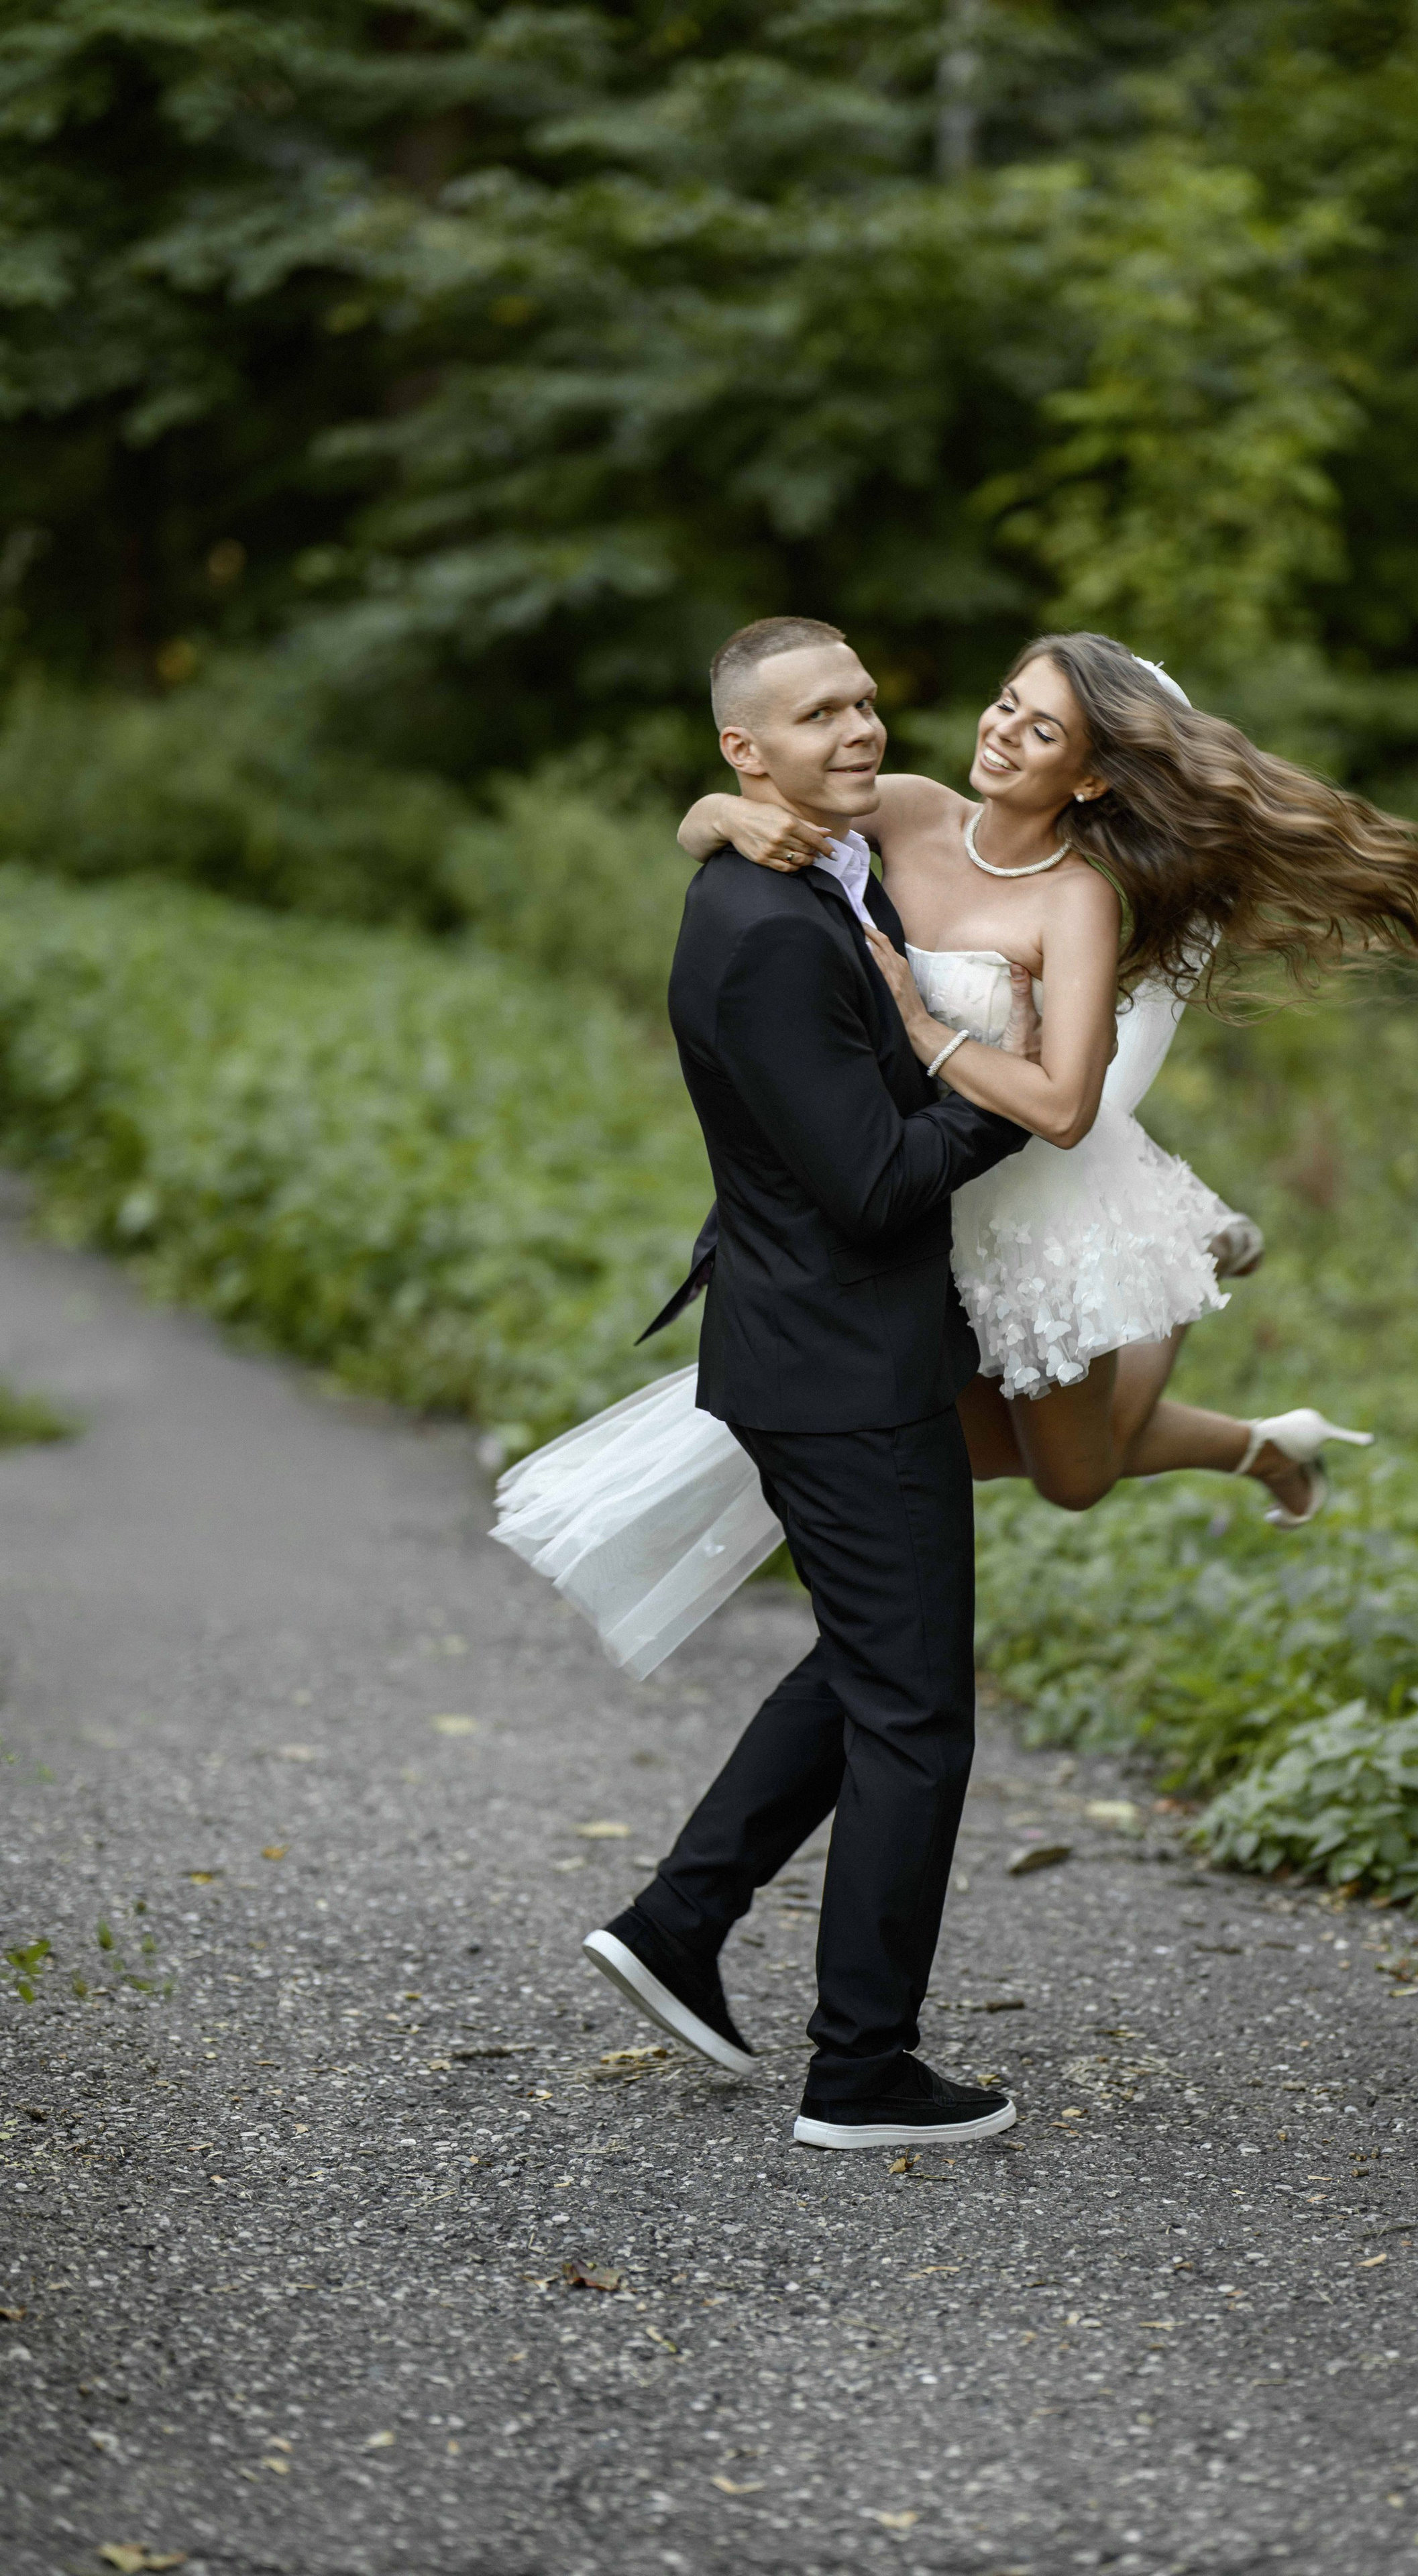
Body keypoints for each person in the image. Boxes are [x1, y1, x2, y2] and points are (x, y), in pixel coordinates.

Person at [678, 630, 1418, 1525]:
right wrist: (721, 815)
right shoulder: (907, 809)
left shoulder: (1076, 899)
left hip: (1041, 1209)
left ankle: (1197, 1304)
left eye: (1043, 731)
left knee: (1074, 1482)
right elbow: (746, 812)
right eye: (1008, 702)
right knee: (957, 1446)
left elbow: (1065, 1107)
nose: (1005, 731)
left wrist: (927, 1030)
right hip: (927, 1186)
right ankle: (1268, 1429)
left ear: (1089, 779)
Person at [541, 614, 1036, 2151]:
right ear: (747, 749)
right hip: (839, 1358)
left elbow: (762, 835)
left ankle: (679, 1921)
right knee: (914, 1712)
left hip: (825, 1347)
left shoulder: (800, 864)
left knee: (864, 1665)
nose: (860, 730)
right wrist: (1028, 1093)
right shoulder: (760, 936)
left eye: (868, 702)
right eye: (816, 715)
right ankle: (861, 2071)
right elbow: (877, 1182)